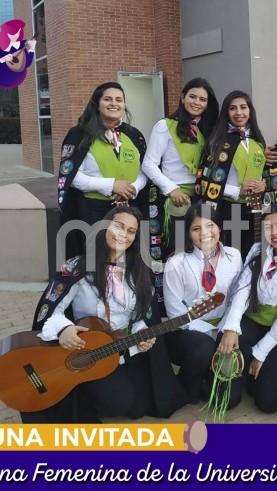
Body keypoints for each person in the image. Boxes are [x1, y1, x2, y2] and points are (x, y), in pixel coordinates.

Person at [26, 205, 187, 422]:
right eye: (119, 226)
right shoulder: (77, 267)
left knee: (135, 407)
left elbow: (141, 317)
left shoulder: (139, 272)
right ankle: (75, 390)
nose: (124, 234)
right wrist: (64, 329)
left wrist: (145, 334)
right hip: (83, 349)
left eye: (131, 231)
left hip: (121, 348)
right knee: (116, 402)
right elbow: (51, 311)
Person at [217, 204, 277, 413]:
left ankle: (258, 366)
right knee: (227, 339)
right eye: (269, 227)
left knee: (268, 402)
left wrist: (261, 353)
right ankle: (240, 374)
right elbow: (243, 290)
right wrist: (231, 327)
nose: (274, 232)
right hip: (253, 320)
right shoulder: (257, 251)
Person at [57, 82, 148, 258]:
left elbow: (144, 170)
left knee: (127, 258)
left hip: (129, 209)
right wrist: (111, 185)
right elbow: (71, 175)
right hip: (93, 210)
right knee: (96, 258)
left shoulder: (134, 135)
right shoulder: (79, 134)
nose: (114, 103)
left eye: (119, 100)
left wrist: (133, 188)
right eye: (108, 99)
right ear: (97, 104)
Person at [162, 202, 242, 403]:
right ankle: (186, 385)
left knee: (229, 401)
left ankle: (211, 374)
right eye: (196, 228)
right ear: (188, 233)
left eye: (210, 225)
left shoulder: (234, 256)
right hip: (190, 332)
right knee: (202, 350)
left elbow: (237, 298)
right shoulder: (176, 263)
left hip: (223, 328)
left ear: (219, 227)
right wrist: (212, 334)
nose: (204, 233)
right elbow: (175, 314)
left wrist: (227, 330)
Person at [195, 90, 277, 255]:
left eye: (243, 107)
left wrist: (263, 185)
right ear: (226, 112)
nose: (239, 113)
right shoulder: (217, 141)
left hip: (256, 210)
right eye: (233, 108)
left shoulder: (257, 141)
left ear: (250, 111)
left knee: (254, 254)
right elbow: (205, 181)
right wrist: (238, 190)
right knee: (231, 256)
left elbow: (263, 173)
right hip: (229, 210)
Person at [141, 78, 219, 257]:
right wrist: (171, 189)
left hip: (203, 196)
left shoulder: (208, 130)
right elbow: (148, 164)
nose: (196, 102)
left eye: (202, 99)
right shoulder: (165, 126)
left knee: (202, 251)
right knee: (179, 251)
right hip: (177, 197)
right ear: (183, 98)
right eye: (192, 97)